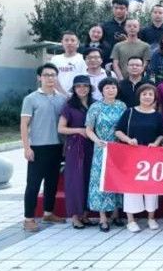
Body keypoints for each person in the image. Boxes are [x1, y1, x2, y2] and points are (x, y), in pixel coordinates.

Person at [21, 64, 68, 232]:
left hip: (57, 147)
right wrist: (27, 148)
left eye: (53, 75)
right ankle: (28, 218)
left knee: (52, 183)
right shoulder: (31, 99)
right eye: (46, 75)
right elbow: (24, 125)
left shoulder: (62, 99)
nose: (50, 78)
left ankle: (48, 213)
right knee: (33, 184)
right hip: (38, 147)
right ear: (39, 78)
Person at [114, 83, 163, 233]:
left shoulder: (157, 115)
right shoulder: (129, 112)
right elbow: (118, 131)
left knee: (151, 188)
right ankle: (131, 220)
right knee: (131, 188)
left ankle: (151, 218)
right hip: (132, 155)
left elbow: (161, 134)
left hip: (151, 156)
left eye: (150, 94)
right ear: (139, 96)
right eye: (144, 94)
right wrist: (128, 140)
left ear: (154, 97)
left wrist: (156, 143)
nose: (147, 97)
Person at [85, 77, 126, 232]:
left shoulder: (122, 106)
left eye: (113, 87)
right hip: (101, 148)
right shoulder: (95, 107)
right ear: (102, 90)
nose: (111, 90)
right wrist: (97, 140)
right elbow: (89, 129)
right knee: (100, 181)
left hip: (118, 148)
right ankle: (102, 217)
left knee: (117, 179)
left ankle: (115, 213)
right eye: (107, 88)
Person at [57, 75, 96, 229]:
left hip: (92, 145)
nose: (82, 89)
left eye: (85, 86)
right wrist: (79, 130)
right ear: (74, 89)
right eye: (78, 86)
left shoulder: (95, 104)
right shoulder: (69, 105)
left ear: (90, 88)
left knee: (89, 178)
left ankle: (85, 214)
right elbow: (61, 128)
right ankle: (74, 216)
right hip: (75, 147)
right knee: (75, 180)